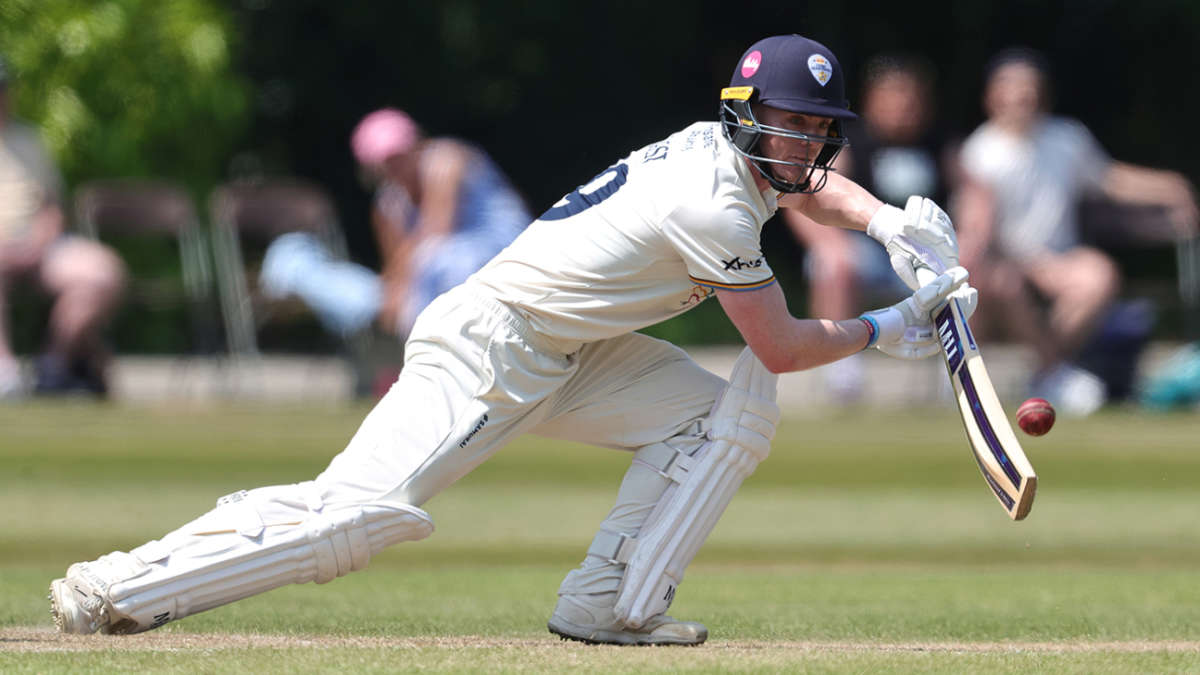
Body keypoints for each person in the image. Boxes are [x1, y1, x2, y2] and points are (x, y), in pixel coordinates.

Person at [49, 35, 973, 645]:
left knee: (713, 420)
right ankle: (118, 584)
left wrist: (890, 224)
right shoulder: (713, 200)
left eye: (821, 128)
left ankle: (604, 604)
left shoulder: (725, 147)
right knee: (359, 516)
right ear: (747, 118)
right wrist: (887, 325)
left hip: (571, 352)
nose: (811, 145)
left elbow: (807, 187)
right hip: (491, 346)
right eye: (795, 125)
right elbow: (778, 346)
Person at [955, 47, 1198, 416]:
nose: (1022, 95)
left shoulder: (1067, 137)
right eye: (1011, 86)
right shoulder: (979, 151)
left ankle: (1044, 371)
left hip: (1060, 258)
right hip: (1005, 264)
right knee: (1004, 280)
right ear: (991, 96)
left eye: (1029, 86)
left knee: (1099, 275)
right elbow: (977, 225)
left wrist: (1170, 187)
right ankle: (1053, 372)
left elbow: (1109, 180)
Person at [258, 108, 531, 340]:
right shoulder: (390, 202)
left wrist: (402, 292)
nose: (393, 167)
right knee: (310, 267)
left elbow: (436, 233)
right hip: (442, 282)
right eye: (383, 162)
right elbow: (398, 266)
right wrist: (394, 296)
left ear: (415, 144)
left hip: (504, 261)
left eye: (396, 156)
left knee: (439, 262)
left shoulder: (445, 160)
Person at [780, 54, 956, 400]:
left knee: (966, 266)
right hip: (867, 257)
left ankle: (956, 374)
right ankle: (840, 370)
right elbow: (803, 197)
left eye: (910, 96)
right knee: (833, 262)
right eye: (893, 95)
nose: (903, 105)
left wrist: (967, 243)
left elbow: (976, 195)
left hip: (926, 259)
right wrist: (829, 245)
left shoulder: (941, 143)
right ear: (873, 99)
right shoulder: (848, 145)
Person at [0, 55, 125, 397]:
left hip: (38, 248)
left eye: (4, 88)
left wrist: (39, 241)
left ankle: (54, 365)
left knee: (103, 272)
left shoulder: (30, 141)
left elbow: (52, 206)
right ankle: (4, 372)